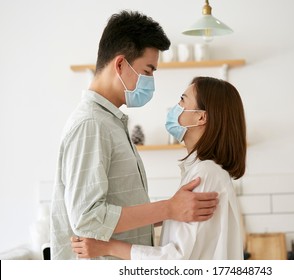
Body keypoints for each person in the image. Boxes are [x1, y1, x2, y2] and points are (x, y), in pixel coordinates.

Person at [50, 11, 218, 260]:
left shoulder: (109, 122)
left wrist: (172, 211)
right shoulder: (91, 124)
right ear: (120, 65)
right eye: (148, 70)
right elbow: (87, 219)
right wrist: (169, 208)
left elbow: (115, 212)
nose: (151, 81)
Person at [71, 76, 247, 259]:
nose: (175, 107)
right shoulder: (202, 171)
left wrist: (108, 247)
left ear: (201, 117)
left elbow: (174, 260)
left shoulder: (206, 173)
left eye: (182, 100)